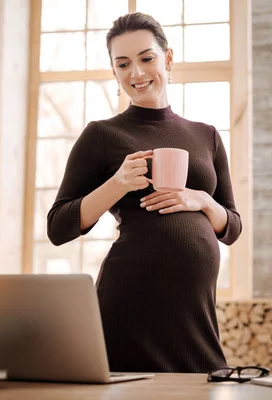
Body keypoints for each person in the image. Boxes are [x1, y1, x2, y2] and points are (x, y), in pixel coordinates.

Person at [47, 12, 241, 373]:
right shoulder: (102, 135)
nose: (136, 73)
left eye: (146, 58)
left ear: (168, 59)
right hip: (129, 302)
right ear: (114, 72)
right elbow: (58, 227)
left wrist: (201, 199)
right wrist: (117, 184)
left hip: (194, 313)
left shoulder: (206, 135)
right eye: (123, 64)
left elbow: (232, 227)